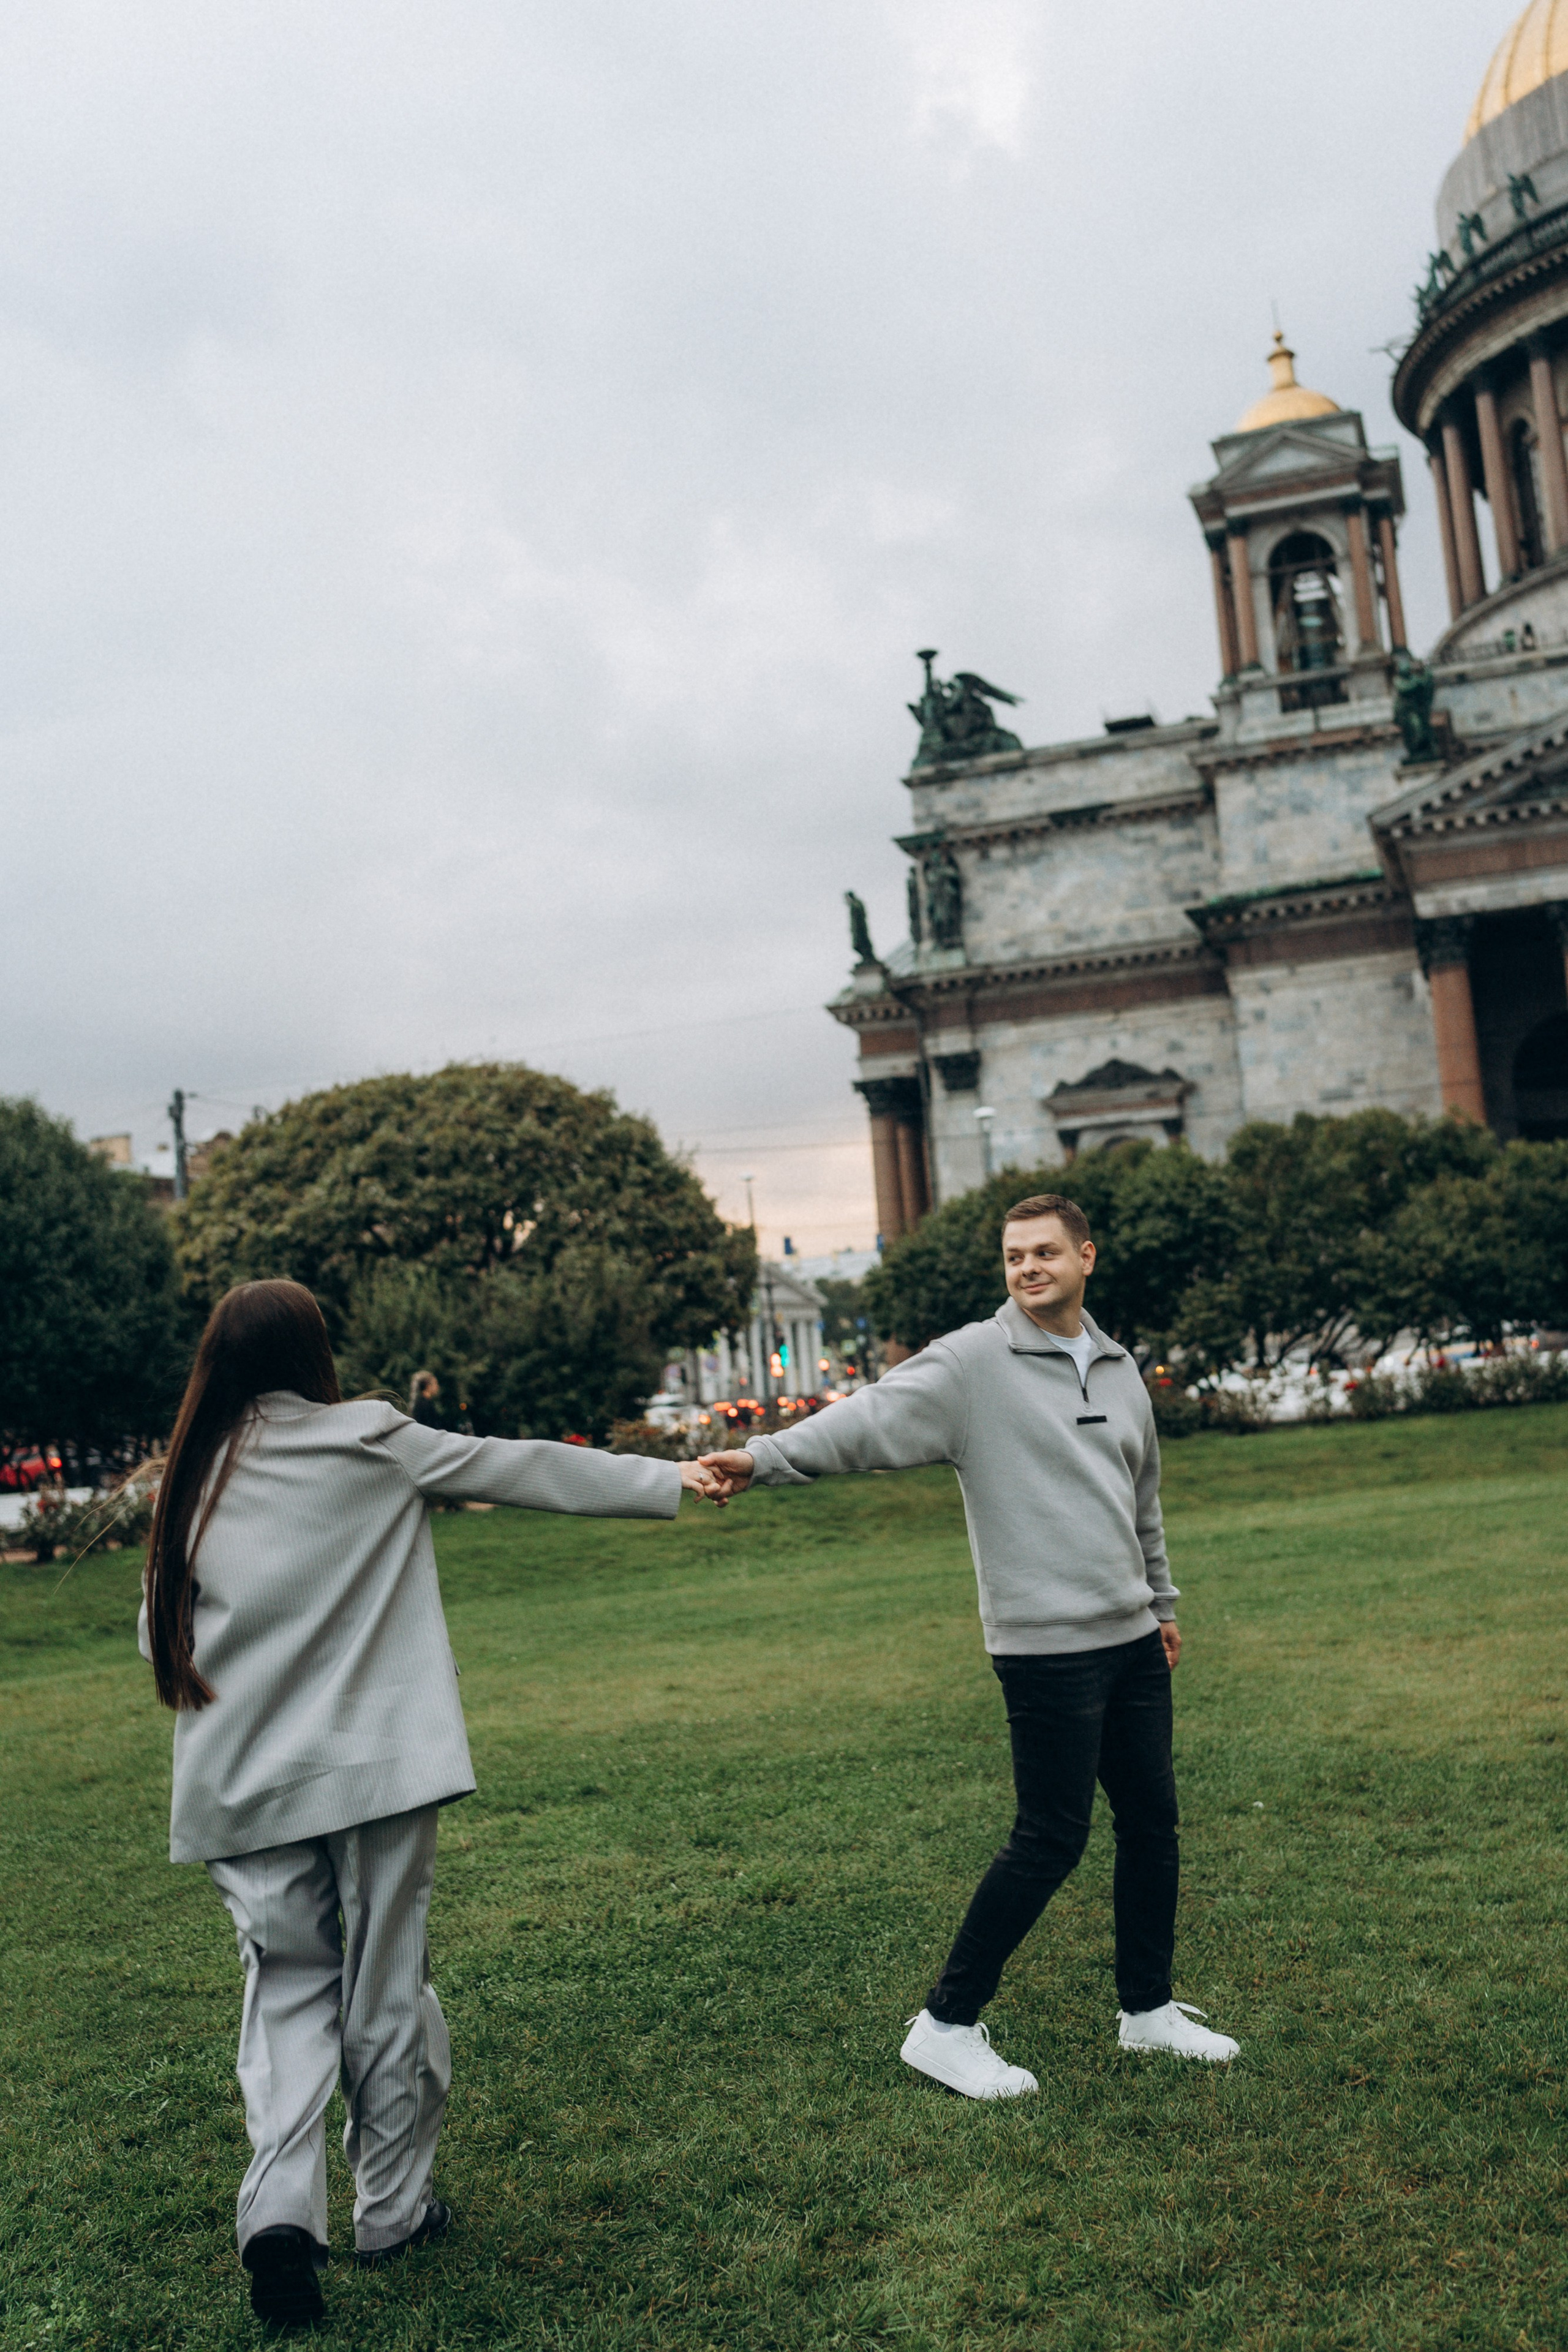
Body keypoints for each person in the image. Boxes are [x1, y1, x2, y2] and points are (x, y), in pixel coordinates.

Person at [138, 1278, 718, 2331]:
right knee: (385, 1982)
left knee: (284, 1991)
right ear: (314, 1353)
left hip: (242, 1782)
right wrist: (671, 1476)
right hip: (376, 1769)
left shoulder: (189, 1479)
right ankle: (392, 2211)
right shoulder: (368, 1438)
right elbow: (522, 1465)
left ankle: (279, 2218)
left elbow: (154, 1640)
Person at [700, 1193, 1238, 2100]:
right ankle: (945, 2024)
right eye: (1014, 1256)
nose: (1028, 1268)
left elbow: (1139, 1500)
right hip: (1044, 1651)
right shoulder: (971, 1364)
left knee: (1153, 1824)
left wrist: (1162, 1601)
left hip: (1133, 1639)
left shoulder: (1115, 1368)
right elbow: (863, 1420)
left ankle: (1147, 2013)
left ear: (1086, 1258)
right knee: (1050, 1837)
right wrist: (762, 1458)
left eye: (1044, 1253)